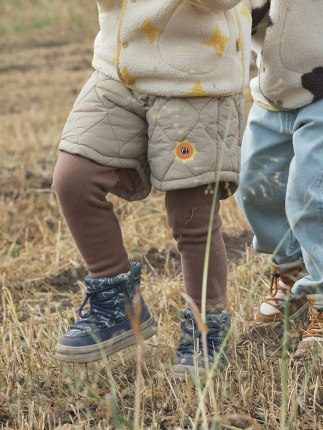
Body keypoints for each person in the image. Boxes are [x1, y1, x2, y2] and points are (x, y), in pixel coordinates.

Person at [52, 0, 255, 377]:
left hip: (197, 79)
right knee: (74, 178)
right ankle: (117, 302)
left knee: (191, 213)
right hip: (119, 71)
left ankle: (206, 327)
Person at [236, 0, 323, 358]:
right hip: (272, 91)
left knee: (310, 195)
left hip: (320, 90)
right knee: (254, 186)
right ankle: (290, 266)